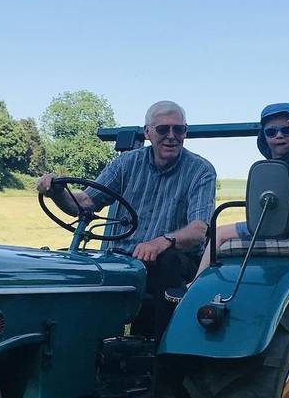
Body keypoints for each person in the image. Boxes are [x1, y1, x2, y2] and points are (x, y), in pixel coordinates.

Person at [36, 100, 216, 338]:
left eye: (178, 129)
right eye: (163, 129)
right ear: (147, 132)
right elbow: (85, 203)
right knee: (73, 266)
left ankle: (164, 356)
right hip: (124, 260)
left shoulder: (200, 170)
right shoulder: (126, 163)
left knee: (168, 261)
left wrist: (162, 241)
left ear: (185, 131)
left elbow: (198, 230)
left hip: (172, 262)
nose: (171, 136)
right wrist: (57, 192)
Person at [168, 102, 289, 301]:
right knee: (214, 233)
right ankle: (212, 281)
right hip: (263, 225)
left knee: (219, 233)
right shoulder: (267, 167)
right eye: (271, 132)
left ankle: (194, 285)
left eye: (287, 130)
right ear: (264, 137)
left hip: (286, 228)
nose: (278, 135)